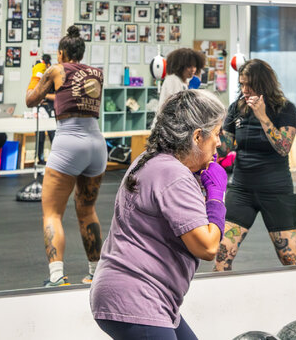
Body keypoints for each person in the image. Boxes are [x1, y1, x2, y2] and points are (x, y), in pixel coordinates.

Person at [90, 90, 227, 340]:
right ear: (197, 136)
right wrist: (217, 196)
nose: (219, 142)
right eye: (217, 133)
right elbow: (207, 247)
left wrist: (199, 180)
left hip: (137, 294)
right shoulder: (174, 174)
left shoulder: (150, 160)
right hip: (137, 298)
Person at [25, 26, 108, 286]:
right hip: (97, 144)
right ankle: (95, 272)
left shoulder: (56, 70)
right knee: (87, 210)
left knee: (52, 213)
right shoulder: (96, 73)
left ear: (61, 53)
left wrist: (37, 73)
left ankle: (57, 276)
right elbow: (71, 93)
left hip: (69, 143)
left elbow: (30, 100)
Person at [214, 58, 296, 271]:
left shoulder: (285, 108)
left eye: (249, 84)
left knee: (289, 257)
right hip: (242, 189)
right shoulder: (237, 108)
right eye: (242, 84)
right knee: (222, 256)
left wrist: (262, 117)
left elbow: (283, 148)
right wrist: (214, 130)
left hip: (276, 190)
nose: (245, 89)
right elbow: (224, 149)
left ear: (263, 84)